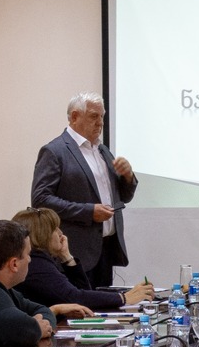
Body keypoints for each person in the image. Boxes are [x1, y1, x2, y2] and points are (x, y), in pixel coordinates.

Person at [31, 93, 138, 288]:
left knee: (104, 305)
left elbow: (123, 197)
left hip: (105, 250)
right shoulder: (55, 151)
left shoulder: (102, 151)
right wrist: (89, 212)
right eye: (94, 116)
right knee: (80, 305)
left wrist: (128, 177)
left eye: (102, 116)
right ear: (74, 117)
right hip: (74, 252)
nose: (100, 123)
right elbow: (40, 200)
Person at [14, 207, 151, 312]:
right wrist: (124, 298)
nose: (61, 233)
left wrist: (66, 257)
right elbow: (75, 297)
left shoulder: (40, 260)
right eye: (55, 229)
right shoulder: (37, 263)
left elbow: (83, 290)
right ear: (43, 234)